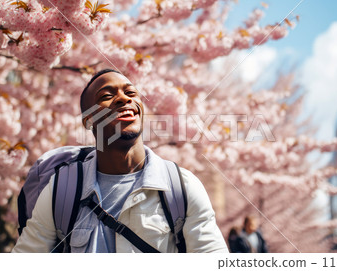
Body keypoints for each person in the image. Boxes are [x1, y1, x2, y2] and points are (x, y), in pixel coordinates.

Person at [12, 69, 228, 253]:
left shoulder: (181, 187)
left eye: (131, 92)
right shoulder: (61, 189)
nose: (124, 98)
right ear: (89, 121)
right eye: (106, 96)